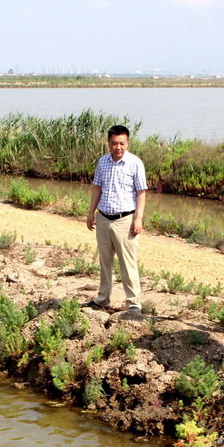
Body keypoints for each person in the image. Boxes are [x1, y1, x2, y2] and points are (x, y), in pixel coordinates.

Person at [84, 124, 148, 313]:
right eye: (114, 143)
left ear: (127, 143)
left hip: (125, 220)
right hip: (104, 218)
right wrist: (91, 212)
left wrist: (138, 218)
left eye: (122, 143)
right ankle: (102, 299)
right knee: (105, 261)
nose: (118, 147)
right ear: (108, 143)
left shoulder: (135, 163)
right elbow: (97, 188)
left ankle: (133, 303)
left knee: (128, 262)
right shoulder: (103, 162)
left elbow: (141, 192)